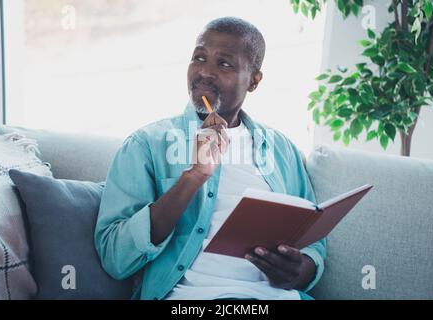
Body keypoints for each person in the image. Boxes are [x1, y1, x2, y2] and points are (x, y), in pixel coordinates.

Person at [95, 16, 326, 300]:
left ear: (254, 80)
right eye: (199, 58)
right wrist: (193, 178)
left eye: (224, 64)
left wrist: (298, 269)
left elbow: (314, 244)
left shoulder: (283, 151)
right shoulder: (146, 145)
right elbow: (114, 257)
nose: (204, 72)